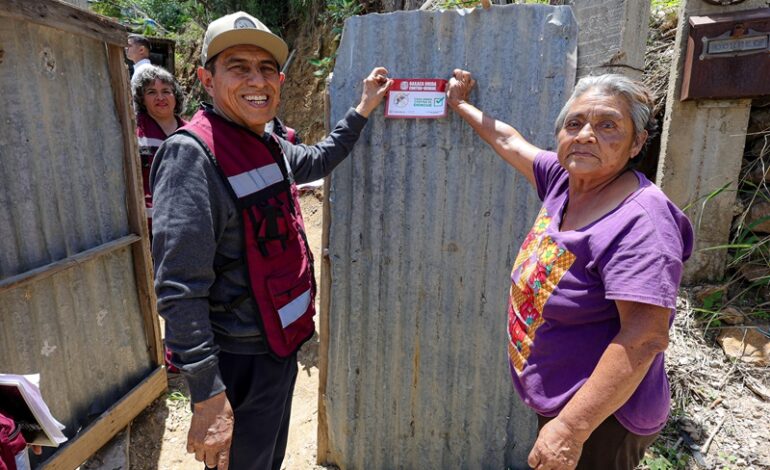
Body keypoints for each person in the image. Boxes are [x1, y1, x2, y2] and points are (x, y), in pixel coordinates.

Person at [150, 11, 392, 470]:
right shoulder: (192, 158)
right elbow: (179, 288)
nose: (256, 79)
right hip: (239, 359)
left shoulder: (269, 140)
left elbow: (318, 160)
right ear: (206, 78)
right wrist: (207, 393)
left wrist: (362, 108)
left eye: (266, 69)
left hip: (277, 347)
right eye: (238, 66)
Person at [446, 70, 693, 470]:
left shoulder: (642, 222)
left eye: (607, 125)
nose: (585, 135)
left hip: (604, 416)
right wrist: (460, 104)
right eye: (574, 123)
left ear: (637, 143)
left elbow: (646, 335)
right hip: (565, 397)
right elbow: (509, 141)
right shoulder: (566, 180)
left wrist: (570, 430)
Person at [131, 65, 186, 232]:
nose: (160, 97)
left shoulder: (192, 131)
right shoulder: (133, 131)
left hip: (187, 222)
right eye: (151, 92)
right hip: (147, 228)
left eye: (166, 91)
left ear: (175, 96)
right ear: (142, 99)